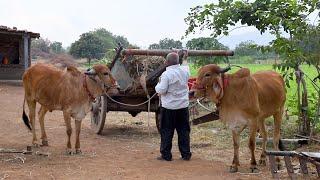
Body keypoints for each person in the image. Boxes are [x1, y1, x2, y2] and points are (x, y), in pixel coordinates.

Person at [155, 52, 191, 161]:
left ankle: (166, 155)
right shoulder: (185, 70)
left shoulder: (166, 74)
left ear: (167, 62)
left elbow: (161, 90)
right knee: (184, 131)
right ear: (178, 61)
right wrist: (185, 57)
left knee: (166, 131)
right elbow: (185, 64)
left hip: (169, 108)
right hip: (183, 106)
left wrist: (157, 86)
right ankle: (186, 154)